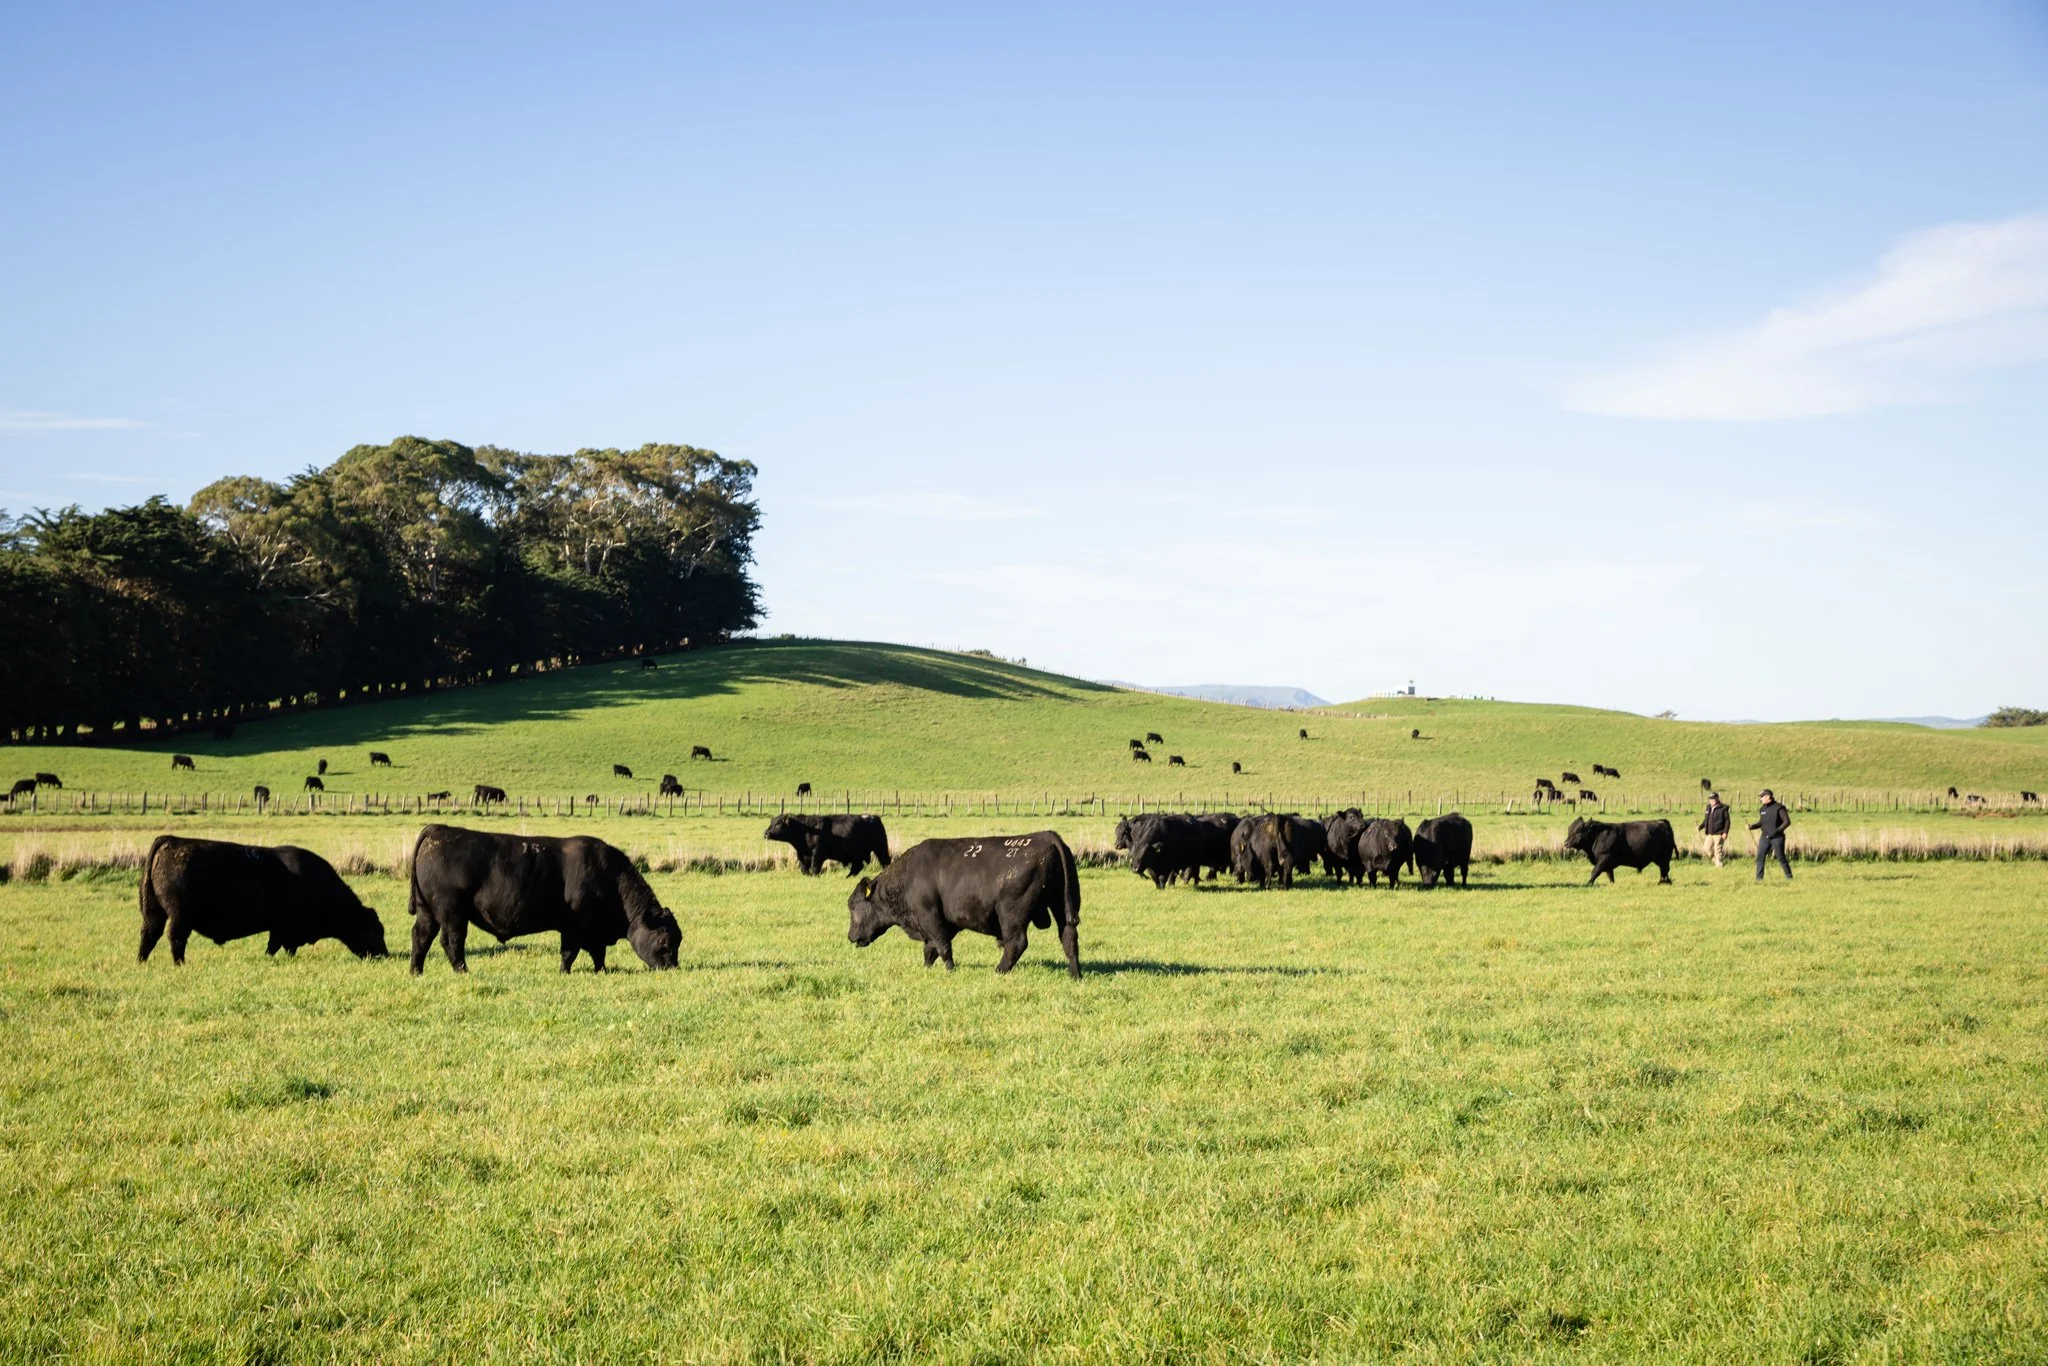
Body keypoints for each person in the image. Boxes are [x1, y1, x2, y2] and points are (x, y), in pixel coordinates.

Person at [1749, 789, 1792, 881]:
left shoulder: (1779, 807)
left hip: (1777, 838)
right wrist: (1752, 826)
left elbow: (1787, 822)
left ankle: (1789, 877)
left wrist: (1776, 831)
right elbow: (1761, 823)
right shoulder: (1762, 809)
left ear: (1768, 797)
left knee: (1781, 857)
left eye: (1762, 797)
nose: (1761, 799)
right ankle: (1759, 879)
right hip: (1764, 837)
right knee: (1760, 857)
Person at [1698, 791, 1731, 866]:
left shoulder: (1723, 808)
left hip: (1719, 833)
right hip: (1710, 833)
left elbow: (1727, 821)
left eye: (1713, 798)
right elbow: (1706, 820)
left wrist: (1725, 832)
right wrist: (1700, 827)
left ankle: (1719, 863)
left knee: (1717, 849)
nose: (1711, 800)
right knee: (1706, 849)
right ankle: (1715, 860)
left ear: (1717, 798)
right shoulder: (1708, 808)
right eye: (1710, 799)